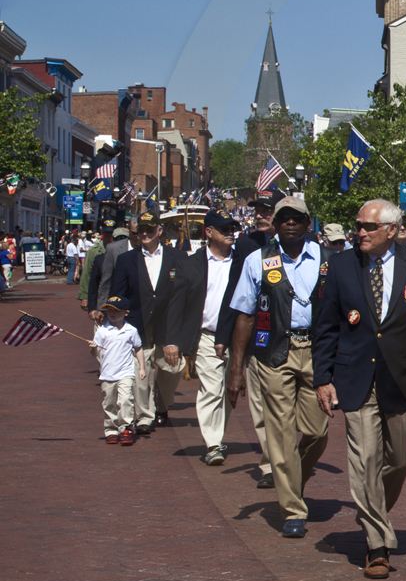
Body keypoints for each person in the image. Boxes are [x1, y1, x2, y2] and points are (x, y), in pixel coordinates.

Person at [313, 199, 406, 579]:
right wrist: (323, 377)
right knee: (364, 462)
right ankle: (377, 544)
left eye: (368, 227)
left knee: (398, 461)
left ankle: (374, 511)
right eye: (357, 225)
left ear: (392, 231)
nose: (359, 232)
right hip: (355, 378)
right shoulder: (342, 265)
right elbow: (327, 323)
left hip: (402, 377)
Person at [225, 196, 332, 539]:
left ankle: (292, 473)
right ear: (275, 223)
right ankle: (292, 509)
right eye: (283, 218)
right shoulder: (258, 261)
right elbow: (244, 315)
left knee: (318, 431)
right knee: (281, 432)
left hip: (315, 352)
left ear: (307, 223)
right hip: (274, 354)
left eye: (296, 219)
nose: (289, 223)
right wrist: (236, 369)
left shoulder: (327, 260)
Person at [165, 210, 239, 465]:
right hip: (207, 336)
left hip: (239, 338)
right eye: (224, 229)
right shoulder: (189, 264)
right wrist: (172, 340)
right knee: (211, 388)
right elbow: (176, 304)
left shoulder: (243, 261)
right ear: (208, 232)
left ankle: (217, 434)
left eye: (232, 228)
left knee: (231, 390)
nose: (231, 233)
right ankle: (213, 443)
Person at [109, 211, 188, 434]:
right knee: (140, 372)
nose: (144, 234)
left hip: (167, 324)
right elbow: (118, 294)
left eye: (149, 230)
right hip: (138, 324)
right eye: (141, 230)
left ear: (159, 232)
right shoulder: (126, 260)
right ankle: (144, 416)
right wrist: (115, 322)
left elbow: (185, 294)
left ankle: (161, 406)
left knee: (172, 368)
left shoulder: (178, 257)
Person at [222, 190, 280, 489]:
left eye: (266, 211)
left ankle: (288, 456)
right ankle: (271, 465)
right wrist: (225, 339)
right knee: (261, 406)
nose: (259, 215)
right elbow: (236, 296)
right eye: (257, 210)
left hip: (296, 340)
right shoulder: (246, 246)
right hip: (259, 336)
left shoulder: (308, 248)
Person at [94, 295, 146, 445]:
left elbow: (138, 348)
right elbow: (95, 352)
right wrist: (93, 348)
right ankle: (111, 429)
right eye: (109, 310)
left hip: (126, 372)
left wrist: (141, 368)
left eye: (116, 311)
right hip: (107, 373)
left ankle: (126, 427)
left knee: (125, 400)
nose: (112, 313)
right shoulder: (102, 331)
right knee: (109, 403)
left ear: (126, 313)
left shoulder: (131, 330)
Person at [77, 229, 107, 319]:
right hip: (101, 298)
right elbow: (87, 274)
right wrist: (85, 296)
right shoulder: (94, 250)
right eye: (107, 233)